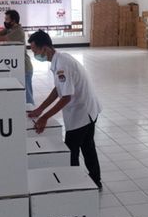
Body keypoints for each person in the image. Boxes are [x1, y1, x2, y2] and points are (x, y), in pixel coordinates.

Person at [27, 30, 103, 189]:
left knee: (70, 151)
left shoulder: (62, 64)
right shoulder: (59, 59)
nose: (34, 54)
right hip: (87, 110)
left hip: (81, 114)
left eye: (35, 50)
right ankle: (95, 179)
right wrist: (40, 109)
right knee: (88, 146)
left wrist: (44, 117)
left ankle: (73, 184)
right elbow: (58, 89)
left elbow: (66, 97)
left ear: (45, 48)